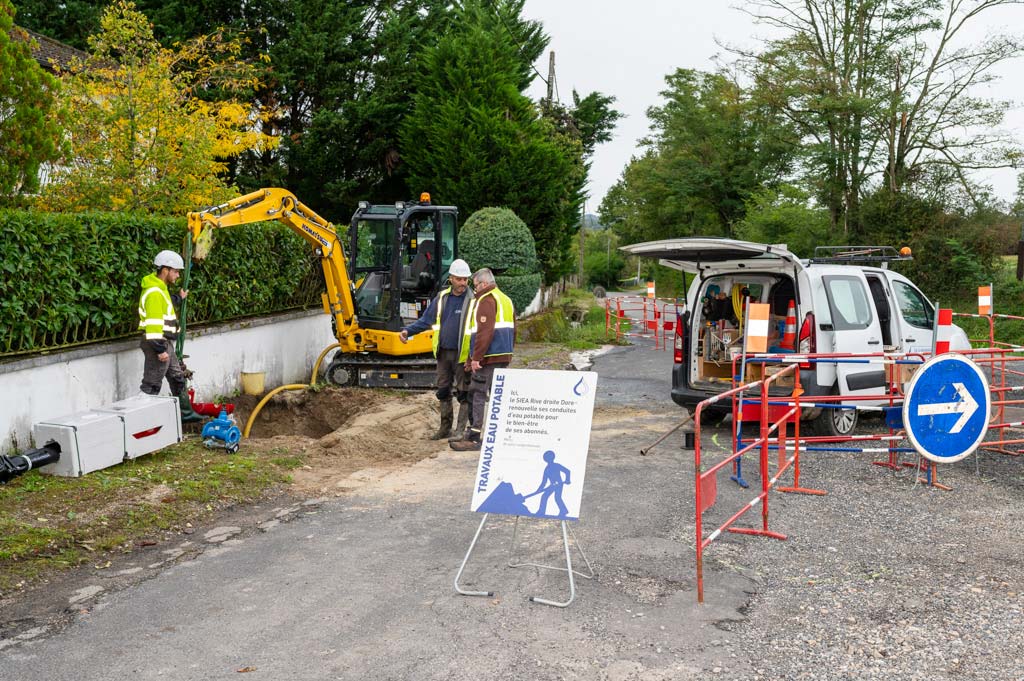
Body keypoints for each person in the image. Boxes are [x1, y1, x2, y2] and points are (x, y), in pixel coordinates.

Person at [400, 258, 475, 440]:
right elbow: (427, 320)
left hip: (462, 354)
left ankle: (460, 430)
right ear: (451, 278)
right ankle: (445, 428)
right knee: (443, 390)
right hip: (443, 353)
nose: (463, 283)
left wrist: (472, 356)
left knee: (464, 392)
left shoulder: (473, 300)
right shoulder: (442, 298)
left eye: (465, 279)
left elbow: (477, 331)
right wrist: (408, 331)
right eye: (459, 279)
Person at [450, 268, 515, 451]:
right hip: (503, 356)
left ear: (484, 284)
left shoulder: (486, 300)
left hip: (488, 357)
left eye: (476, 285)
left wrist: (476, 358)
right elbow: (514, 329)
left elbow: (484, 332)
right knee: (497, 395)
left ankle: (474, 437)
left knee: (477, 393)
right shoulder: (505, 299)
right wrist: (509, 353)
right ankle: (500, 435)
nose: (475, 289)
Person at [139, 250, 201, 423]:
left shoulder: (160, 289)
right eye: (176, 271)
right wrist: (159, 349)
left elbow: (165, 305)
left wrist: (179, 298)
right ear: (165, 270)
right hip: (157, 343)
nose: (178, 275)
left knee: (177, 376)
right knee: (151, 384)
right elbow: (152, 324)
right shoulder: (154, 292)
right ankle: (143, 422)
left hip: (164, 343)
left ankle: (185, 414)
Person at [530, 450, 572, 518]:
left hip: (559, 484)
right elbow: (544, 482)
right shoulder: (547, 469)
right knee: (544, 496)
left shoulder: (556, 465)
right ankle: (541, 511)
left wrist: (567, 480)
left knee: (557, 497)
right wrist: (538, 490)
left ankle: (563, 510)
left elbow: (567, 471)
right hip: (552, 485)